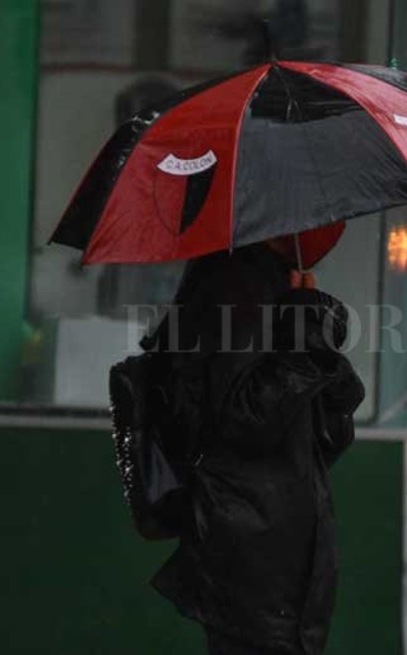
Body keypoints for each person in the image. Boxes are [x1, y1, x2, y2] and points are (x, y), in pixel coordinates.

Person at [144, 235, 365, 655]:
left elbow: (322, 437)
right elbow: (245, 422)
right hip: (251, 559)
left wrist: (316, 339)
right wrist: (307, 331)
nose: (332, 225)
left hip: (282, 559)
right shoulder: (232, 285)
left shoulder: (273, 284)